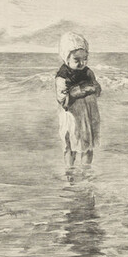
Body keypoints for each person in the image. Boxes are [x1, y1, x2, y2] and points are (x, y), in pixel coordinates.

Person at [55, 32, 101, 169]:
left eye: (85, 59)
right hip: (72, 116)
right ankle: (70, 171)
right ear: (66, 58)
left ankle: (86, 172)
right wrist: (77, 92)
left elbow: (97, 90)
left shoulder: (88, 72)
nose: (82, 63)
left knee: (87, 144)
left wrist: (94, 88)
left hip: (88, 113)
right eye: (77, 60)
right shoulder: (62, 76)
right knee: (71, 144)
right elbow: (63, 100)